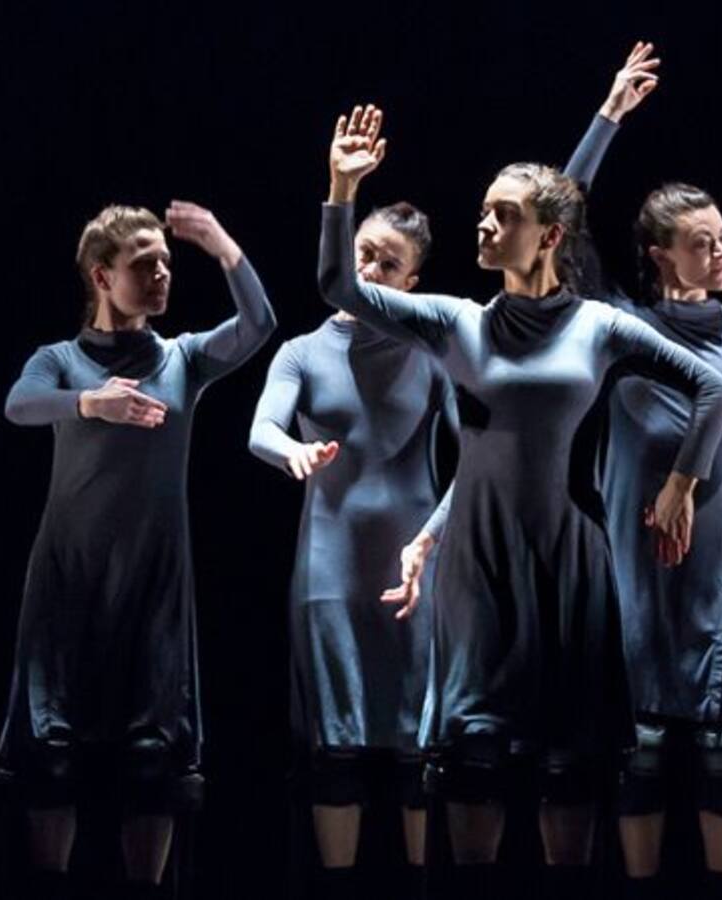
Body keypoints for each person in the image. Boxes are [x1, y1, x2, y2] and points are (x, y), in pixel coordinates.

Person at [319, 102, 722, 899]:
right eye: (484, 211)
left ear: (550, 237)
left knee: (568, 768)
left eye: (504, 215)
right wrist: (341, 188)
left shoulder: (600, 326)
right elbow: (338, 283)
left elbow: (712, 388)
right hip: (479, 563)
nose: (483, 225)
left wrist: (682, 483)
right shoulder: (455, 322)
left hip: (568, 563)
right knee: (474, 763)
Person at [560, 42, 722, 900]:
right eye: (701, 244)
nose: (720, 254)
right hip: (631, 560)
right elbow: (563, 223)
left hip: (719, 559)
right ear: (661, 254)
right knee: (642, 748)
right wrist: (608, 117)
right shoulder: (616, 322)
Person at [0, 201, 276, 899]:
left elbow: (258, 325)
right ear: (102, 276)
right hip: (69, 582)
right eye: (144, 264)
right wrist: (89, 403)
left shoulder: (182, 358)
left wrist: (222, 245)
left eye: (167, 263)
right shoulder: (60, 361)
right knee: (52, 762)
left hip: (153, 585)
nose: (161, 275)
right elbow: (19, 404)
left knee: (152, 766)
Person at [248, 104, 455, 899]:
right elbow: (261, 429)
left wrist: (435, 536)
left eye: (388, 264)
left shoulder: (433, 350)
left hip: (412, 577)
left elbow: (479, 458)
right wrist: (293, 451)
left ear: (411, 282)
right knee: (334, 754)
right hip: (330, 571)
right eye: (363, 253)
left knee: (412, 754)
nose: (370, 270)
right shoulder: (304, 352)